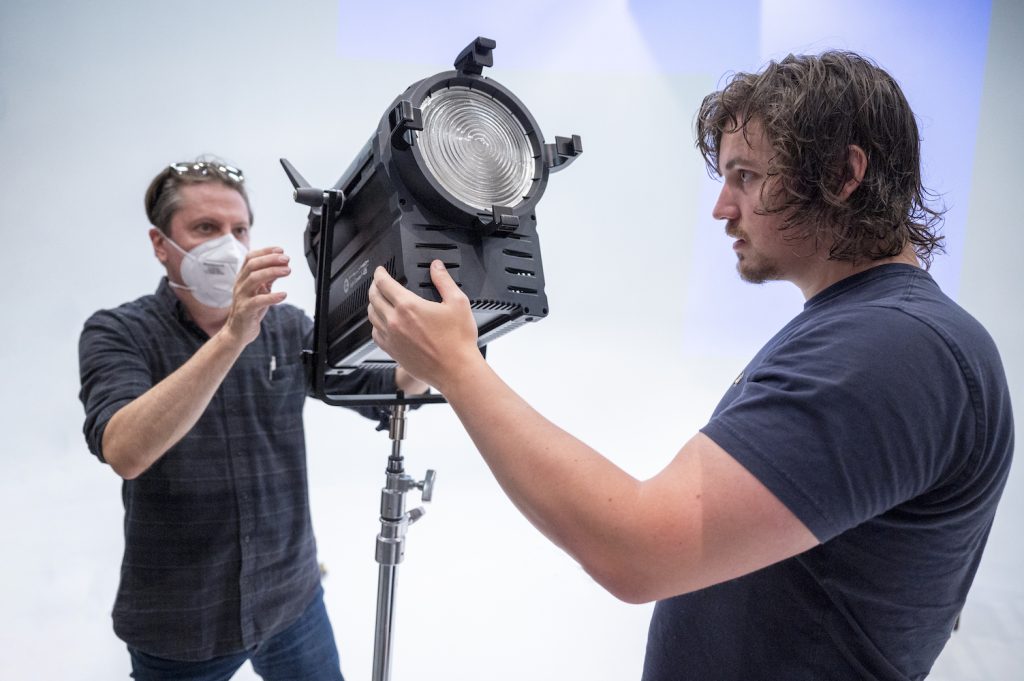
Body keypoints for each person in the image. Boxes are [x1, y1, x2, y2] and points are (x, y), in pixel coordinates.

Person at [366, 51, 1014, 680]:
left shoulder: (892, 348)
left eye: (748, 177)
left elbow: (636, 549)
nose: (722, 208)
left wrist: (460, 369)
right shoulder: (879, 333)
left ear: (844, 175)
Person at [78, 158, 426, 680]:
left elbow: (387, 387)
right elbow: (125, 450)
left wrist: (434, 335)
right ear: (159, 244)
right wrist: (232, 337)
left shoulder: (285, 326)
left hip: (292, 602)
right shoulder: (118, 333)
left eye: (239, 229)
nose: (229, 244)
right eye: (205, 228)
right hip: (181, 624)